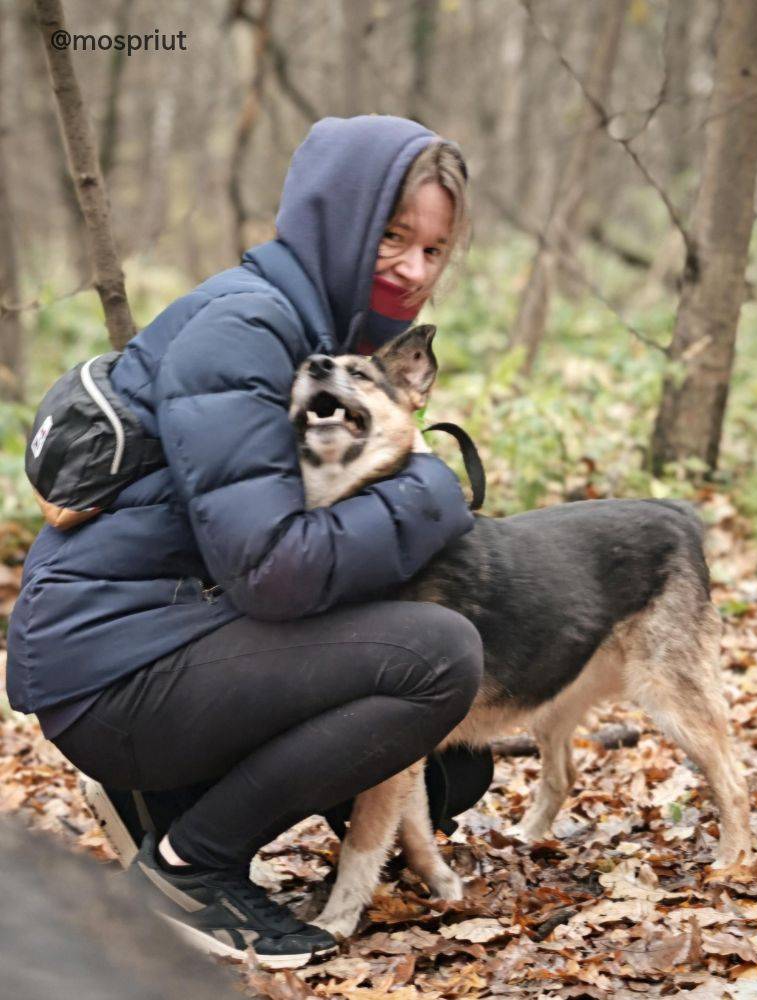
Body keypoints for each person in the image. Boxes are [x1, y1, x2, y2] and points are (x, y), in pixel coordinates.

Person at [6, 116, 484, 969]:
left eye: (435, 250)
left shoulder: (317, 333)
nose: (415, 269)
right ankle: (193, 868)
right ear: (335, 218)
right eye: (393, 236)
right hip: (116, 667)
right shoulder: (246, 330)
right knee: (437, 659)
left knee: (456, 773)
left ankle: (167, 796)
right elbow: (275, 569)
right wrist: (432, 491)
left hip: (159, 635)